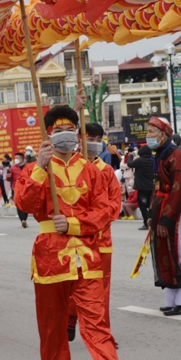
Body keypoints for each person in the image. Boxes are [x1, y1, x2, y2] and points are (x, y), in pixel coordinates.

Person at [15, 105, 145, 360]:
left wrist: (74, 224)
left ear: (77, 133)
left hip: (87, 255)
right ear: (48, 134)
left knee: (96, 320)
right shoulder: (35, 168)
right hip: (50, 255)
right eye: (57, 130)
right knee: (52, 320)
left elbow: (105, 211)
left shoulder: (91, 169)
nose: (65, 135)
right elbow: (24, 202)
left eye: (69, 129)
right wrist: (38, 167)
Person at [64, 120, 122, 341]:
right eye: (91, 139)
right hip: (75, 240)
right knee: (73, 285)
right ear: (79, 139)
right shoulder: (71, 166)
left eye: (99, 140)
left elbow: (114, 206)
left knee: (102, 290)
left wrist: (94, 219)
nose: (95, 144)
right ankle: (70, 317)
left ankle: (102, 333)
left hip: (101, 240)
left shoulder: (106, 171)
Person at [145, 116, 181, 316]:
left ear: (163, 134)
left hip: (175, 211)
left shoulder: (177, 155)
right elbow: (157, 188)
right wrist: (152, 213)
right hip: (162, 207)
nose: (147, 136)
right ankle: (172, 300)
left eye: (151, 132)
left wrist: (167, 217)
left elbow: (178, 188)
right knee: (164, 253)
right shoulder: (159, 155)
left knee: (178, 253)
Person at [129, 145, 154, 230]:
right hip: (151, 186)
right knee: (150, 205)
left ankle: (146, 223)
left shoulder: (140, 161)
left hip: (142, 188)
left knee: (143, 206)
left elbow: (130, 164)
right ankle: (152, 221)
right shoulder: (152, 160)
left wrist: (131, 156)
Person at [12, 149, 33, 228]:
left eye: (17, 158)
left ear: (22, 159)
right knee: (18, 204)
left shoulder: (28, 167)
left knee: (25, 203)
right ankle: (22, 220)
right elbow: (9, 179)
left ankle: (24, 218)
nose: (16, 159)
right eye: (15, 158)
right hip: (15, 188)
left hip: (26, 188)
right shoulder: (13, 168)